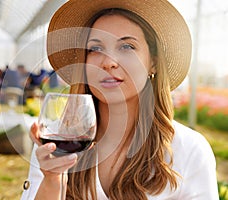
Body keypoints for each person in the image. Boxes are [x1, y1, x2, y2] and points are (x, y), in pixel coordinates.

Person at [21, 0, 218, 199]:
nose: (108, 62)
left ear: (153, 63)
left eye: (126, 46)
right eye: (95, 49)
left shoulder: (189, 150)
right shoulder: (56, 144)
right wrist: (53, 181)